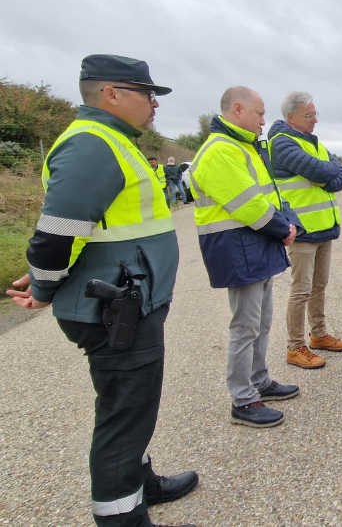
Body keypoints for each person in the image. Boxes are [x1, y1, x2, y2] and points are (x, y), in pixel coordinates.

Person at [5, 54, 198, 527]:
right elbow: (56, 234)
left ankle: (141, 483)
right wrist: (47, 286)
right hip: (117, 308)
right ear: (110, 93)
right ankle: (122, 519)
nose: (154, 104)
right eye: (146, 93)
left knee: (135, 405)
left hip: (129, 299)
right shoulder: (94, 144)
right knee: (124, 415)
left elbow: (88, 229)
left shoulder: (114, 140)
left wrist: (49, 272)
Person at [189, 86, 301, 428]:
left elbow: (269, 193)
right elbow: (248, 204)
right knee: (245, 326)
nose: (264, 121)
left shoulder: (243, 147)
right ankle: (243, 399)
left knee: (261, 322)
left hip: (253, 244)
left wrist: (288, 220)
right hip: (237, 247)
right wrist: (282, 229)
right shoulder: (220, 151)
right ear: (237, 109)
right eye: (259, 114)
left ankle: (259, 379)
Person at [268, 91, 342, 370]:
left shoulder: (313, 143)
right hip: (302, 230)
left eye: (315, 114)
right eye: (309, 115)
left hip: (324, 228)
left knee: (319, 286)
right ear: (290, 117)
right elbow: (324, 173)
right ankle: (295, 347)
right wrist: (328, 173)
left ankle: (319, 335)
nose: (315, 119)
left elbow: (340, 175)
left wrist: (329, 173)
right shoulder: (282, 143)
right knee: (301, 290)